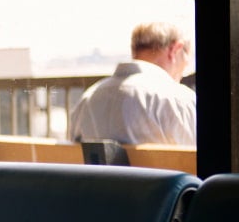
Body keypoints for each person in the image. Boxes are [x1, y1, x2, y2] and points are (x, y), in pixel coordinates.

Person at [69, 22, 197, 145]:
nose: (184, 72)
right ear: (175, 50)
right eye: (187, 59)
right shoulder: (179, 99)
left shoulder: (86, 100)